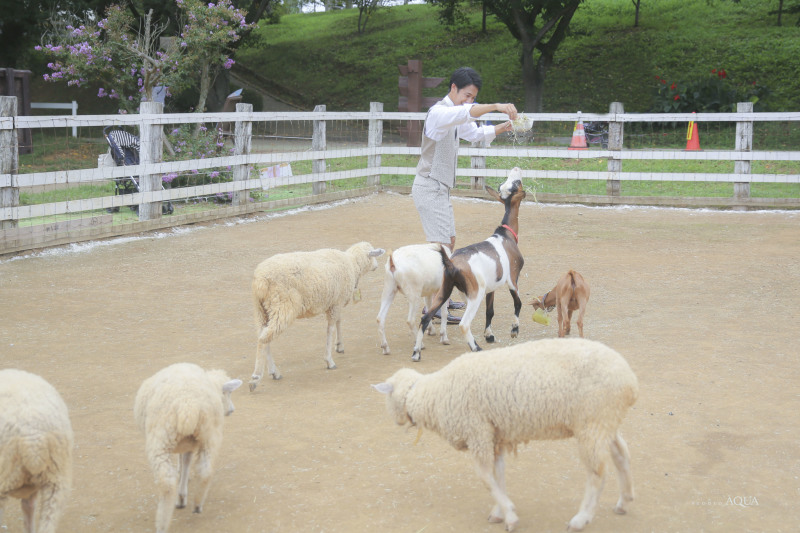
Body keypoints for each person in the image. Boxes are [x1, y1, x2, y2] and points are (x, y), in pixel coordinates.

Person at [411, 66, 518, 320]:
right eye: (467, 95)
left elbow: (474, 132)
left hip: (440, 188)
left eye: (473, 97)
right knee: (443, 248)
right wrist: (497, 105)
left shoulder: (457, 114)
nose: (470, 101)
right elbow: (464, 113)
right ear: (453, 88)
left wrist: (503, 127)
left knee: (449, 242)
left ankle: (440, 298)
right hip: (429, 186)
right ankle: (435, 306)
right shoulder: (439, 112)